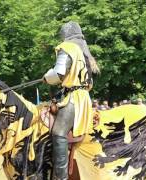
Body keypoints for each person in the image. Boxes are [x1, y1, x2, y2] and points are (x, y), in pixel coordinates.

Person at [43, 21, 99, 179]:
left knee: (59, 133)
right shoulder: (83, 52)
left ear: (66, 36)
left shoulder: (68, 48)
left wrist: (46, 78)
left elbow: (58, 74)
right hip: (83, 97)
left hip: (74, 98)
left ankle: (61, 177)